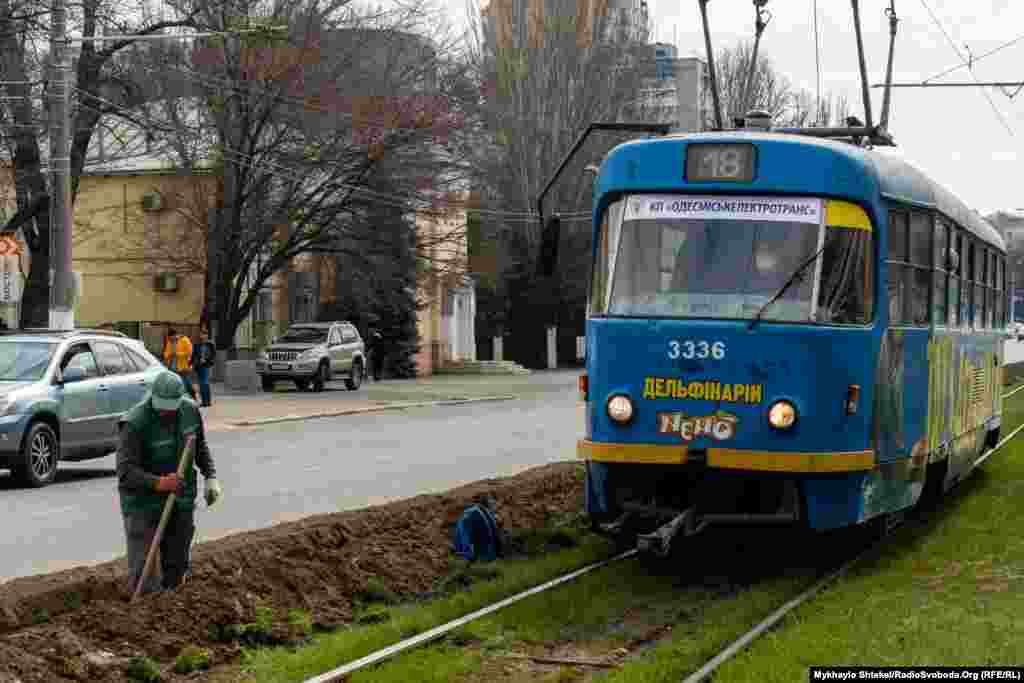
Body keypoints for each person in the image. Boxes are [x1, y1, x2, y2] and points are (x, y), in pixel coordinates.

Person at [117, 371, 223, 595]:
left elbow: (200, 448)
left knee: (177, 564)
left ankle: (173, 608)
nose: (165, 411)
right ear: (152, 396)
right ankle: (145, 612)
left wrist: (211, 476)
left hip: (180, 500)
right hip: (143, 504)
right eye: (162, 406)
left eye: (170, 407)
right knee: (145, 570)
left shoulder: (190, 412)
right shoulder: (135, 423)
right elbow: (126, 472)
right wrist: (159, 483)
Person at [163, 327, 196, 400]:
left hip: (183, 366)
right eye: (170, 338)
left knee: (187, 383)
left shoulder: (185, 340)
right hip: (172, 367)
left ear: (176, 335)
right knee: (175, 383)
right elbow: (166, 352)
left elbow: (190, 352)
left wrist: (178, 354)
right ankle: (178, 398)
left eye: (172, 338)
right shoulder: (169, 341)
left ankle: (193, 395)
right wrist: (168, 355)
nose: (171, 339)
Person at [190, 328, 216, 407]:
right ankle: (205, 401)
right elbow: (193, 355)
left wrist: (208, 361)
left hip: (206, 365)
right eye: (202, 334)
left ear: (207, 335)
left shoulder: (210, 344)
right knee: (202, 384)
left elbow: (213, 355)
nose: (203, 336)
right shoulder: (197, 344)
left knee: (204, 383)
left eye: (205, 334)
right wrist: (190, 364)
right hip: (198, 366)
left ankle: (206, 401)